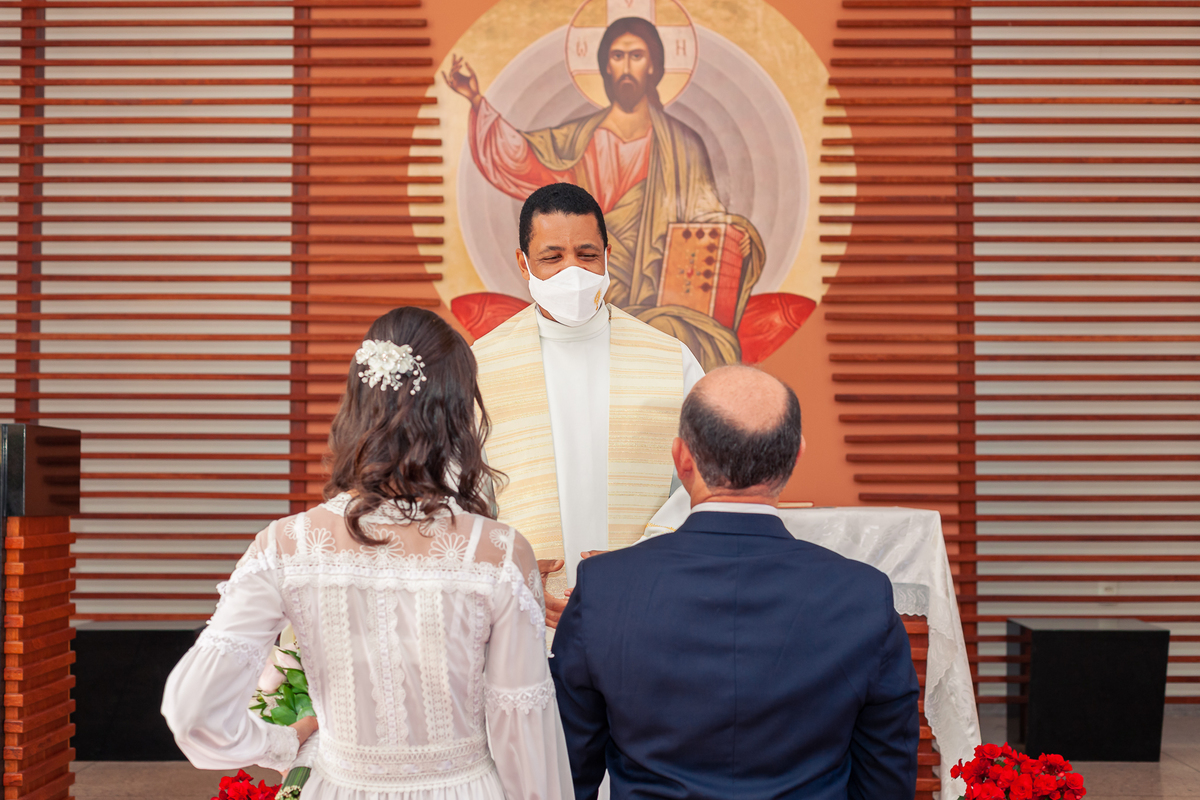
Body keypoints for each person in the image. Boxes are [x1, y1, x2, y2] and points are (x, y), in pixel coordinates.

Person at [162, 307, 572, 800]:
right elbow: (521, 731)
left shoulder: (284, 546)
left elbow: (193, 711)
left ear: (356, 402)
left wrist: (280, 743)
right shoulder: (499, 554)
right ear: (460, 412)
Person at [550, 365, 920, 800]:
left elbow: (566, 774)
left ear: (681, 458)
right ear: (795, 456)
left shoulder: (603, 588)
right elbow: (886, 780)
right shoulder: (863, 596)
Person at [446, 17, 766, 369]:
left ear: (654, 67)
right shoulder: (577, 140)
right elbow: (523, 157)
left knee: (677, 337)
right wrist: (476, 99)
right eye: (617, 56)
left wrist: (736, 237)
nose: (626, 66)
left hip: (658, 286)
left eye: (637, 56)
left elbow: (705, 216)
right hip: (604, 300)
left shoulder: (684, 145)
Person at [471, 182, 704, 629]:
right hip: (520, 610)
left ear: (607, 255)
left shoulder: (670, 360)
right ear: (523, 262)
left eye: (587, 254)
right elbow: (458, 489)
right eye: (552, 257)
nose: (572, 271)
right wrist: (506, 568)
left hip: (644, 601)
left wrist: (644, 560)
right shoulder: (479, 366)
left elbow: (706, 477)